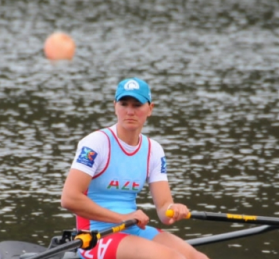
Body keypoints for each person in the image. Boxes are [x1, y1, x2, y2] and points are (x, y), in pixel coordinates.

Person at [61, 78, 209, 259]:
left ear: (150, 109)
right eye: (124, 104)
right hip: (95, 237)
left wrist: (174, 208)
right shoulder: (96, 143)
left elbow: (164, 210)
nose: (130, 111)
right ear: (115, 106)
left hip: (133, 229)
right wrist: (120, 218)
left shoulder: (153, 150)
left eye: (137, 105)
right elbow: (69, 198)